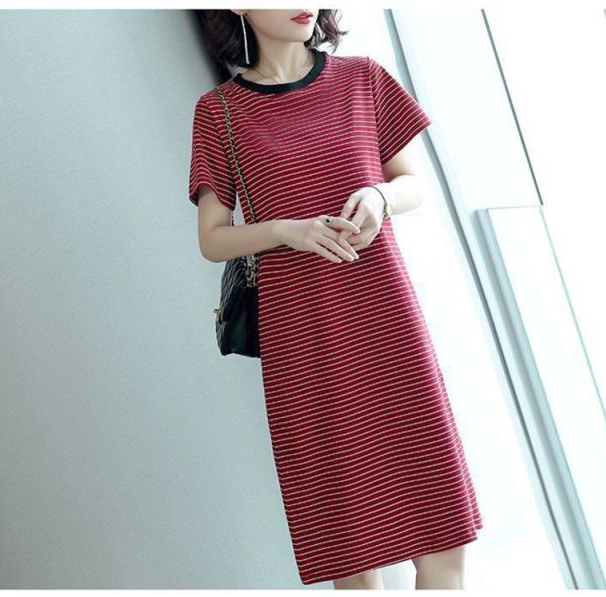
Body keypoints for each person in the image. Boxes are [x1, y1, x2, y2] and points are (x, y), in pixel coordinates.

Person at [188, 9, 484, 590]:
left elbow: (413, 184)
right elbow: (212, 239)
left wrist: (379, 196)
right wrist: (286, 230)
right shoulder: (218, 112)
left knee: (444, 546)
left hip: (388, 326)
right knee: (353, 562)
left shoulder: (362, 78)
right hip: (305, 346)